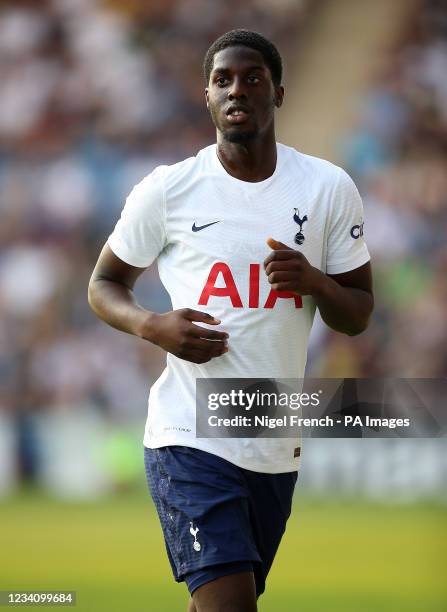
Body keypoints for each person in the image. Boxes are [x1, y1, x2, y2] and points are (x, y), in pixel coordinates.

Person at [88, 29, 373, 612]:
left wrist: (315, 281)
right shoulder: (169, 190)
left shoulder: (326, 188)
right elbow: (103, 284)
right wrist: (152, 325)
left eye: (252, 78)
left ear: (280, 94)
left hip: (272, 441)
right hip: (187, 435)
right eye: (223, 80)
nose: (236, 90)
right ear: (207, 97)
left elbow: (358, 314)